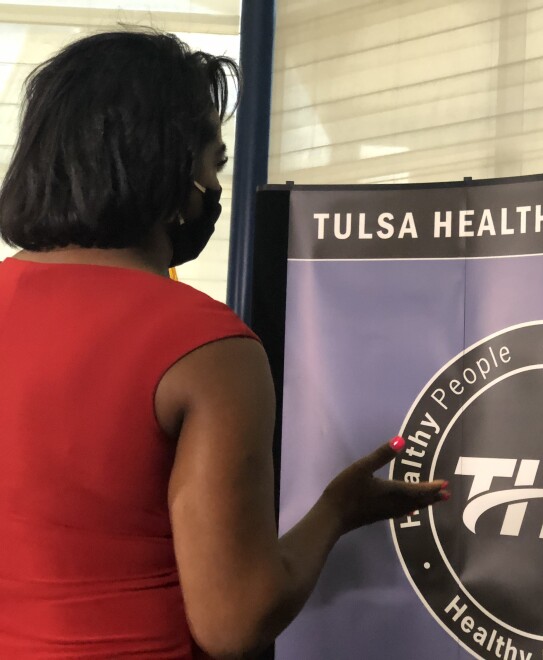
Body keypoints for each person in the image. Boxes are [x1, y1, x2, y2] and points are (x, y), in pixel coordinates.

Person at [0, 29, 448, 658]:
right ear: (168, 169)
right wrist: (336, 511)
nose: (214, 185)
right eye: (214, 162)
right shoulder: (207, 346)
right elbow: (234, 619)